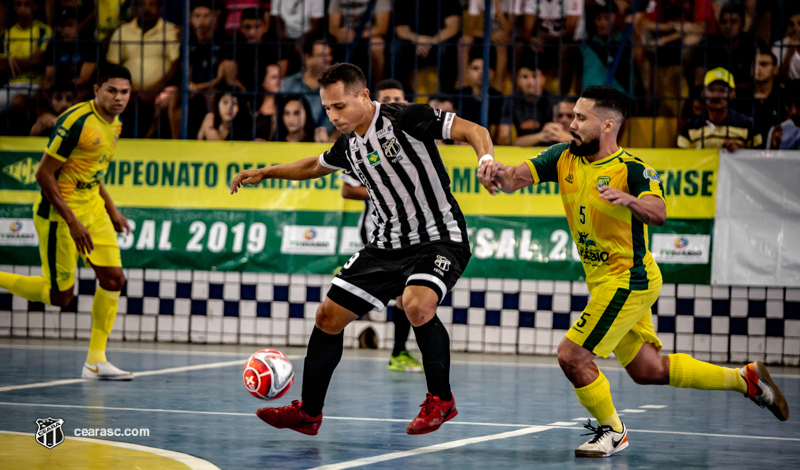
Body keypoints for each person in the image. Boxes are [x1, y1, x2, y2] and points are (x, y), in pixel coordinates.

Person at [477, 85, 788, 458]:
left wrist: (628, 199)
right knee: (648, 369)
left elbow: (657, 212)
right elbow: (513, 179)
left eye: (580, 118)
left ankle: (613, 431)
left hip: (630, 279)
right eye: (571, 116)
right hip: (605, 281)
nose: (570, 124)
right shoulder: (562, 156)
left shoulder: (634, 169)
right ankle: (744, 380)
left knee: (572, 356)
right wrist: (494, 171)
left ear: (608, 125)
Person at [230, 62, 493, 436]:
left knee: (417, 305)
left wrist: (485, 160)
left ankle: (441, 399)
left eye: (339, 106)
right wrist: (266, 171)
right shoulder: (349, 143)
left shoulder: (406, 117)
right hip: (385, 245)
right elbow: (312, 166)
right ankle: (308, 412)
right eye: (327, 108)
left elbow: (474, 130)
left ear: (364, 96)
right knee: (327, 317)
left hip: (439, 237)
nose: (333, 115)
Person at [0, 64, 135, 381]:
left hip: (93, 209)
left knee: (114, 279)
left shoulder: (115, 125)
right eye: (112, 90)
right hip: (59, 215)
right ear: (97, 90)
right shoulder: (76, 121)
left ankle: (95, 362)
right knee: (61, 297)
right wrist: (72, 221)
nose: (119, 98)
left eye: (125, 92)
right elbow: (43, 174)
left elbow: (92, 171)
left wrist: (112, 209)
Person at [339, 79, 424, 372]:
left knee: (408, 292)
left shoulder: (413, 134)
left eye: (397, 98)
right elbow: (347, 189)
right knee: (403, 291)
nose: (391, 103)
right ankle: (392, 348)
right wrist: (387, 187)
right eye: (386, 98)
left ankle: (395, 348)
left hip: (413, 230)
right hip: (380, 229)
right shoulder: (359, 138)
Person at [106, 0, 180, 138]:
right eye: (142, 5)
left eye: (152, 4)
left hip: (161, 91)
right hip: (128, 90)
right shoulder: (122, 32)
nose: (146, 9)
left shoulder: (170, 30)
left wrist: (156, 88)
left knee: (171, 99)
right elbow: (112, 65)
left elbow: (175, 64)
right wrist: (130, 88)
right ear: (135, 9)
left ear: (160, 9)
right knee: (109, 96)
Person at [677, 67, 762, 150]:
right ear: (702, 93)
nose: (716, 95)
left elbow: (759, 159)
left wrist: (739, 152)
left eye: (722, 90)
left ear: (733, 93)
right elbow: (681, 159)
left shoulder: (748, 125)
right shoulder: (690, 126)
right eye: (711, 90)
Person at [0, 0, 52, 114]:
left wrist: (12, 60)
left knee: (19, 101)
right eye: (18, 4)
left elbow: (38, 61)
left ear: (35, 6)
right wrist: (27, 61)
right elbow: (1, 65)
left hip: (34, 83)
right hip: (11, 84)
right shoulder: (6, 34)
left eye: (27, 4)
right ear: (14, 7)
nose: (22, 8)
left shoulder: (44, 30)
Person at [281, 38, 335, 140]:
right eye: (322, 55)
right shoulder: (288, 84)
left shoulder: (335, 87)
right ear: (307, 58)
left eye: (329, 54)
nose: (328, 59)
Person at [328, 0, 390, 87]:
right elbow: (332, 27)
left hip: (368, 36)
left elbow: (382, 28)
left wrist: (357, 35)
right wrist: (339, 32)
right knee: (322, 48)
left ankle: (378, 87)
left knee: (377, 44)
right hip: (345, 39)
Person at [497, 59, 555, 146]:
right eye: (525, 77)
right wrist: (541, 136)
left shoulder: (553, 101)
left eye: (535, 76)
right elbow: (503, 139)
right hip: (521, 151)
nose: (530, 82)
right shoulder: (510, 101)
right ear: (517, 80)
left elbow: (557, 137)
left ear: (543, 79)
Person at [767, 80, 800, 149]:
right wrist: (774, 147)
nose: (793, 111)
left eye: (798, 105)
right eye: (789, 106)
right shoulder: (778, 131)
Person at [772, 11, 800, 81]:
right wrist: (789, 53)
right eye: (791, 24)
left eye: (799, 23)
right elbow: (780, 78)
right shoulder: (778, 45)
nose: (795, 27)